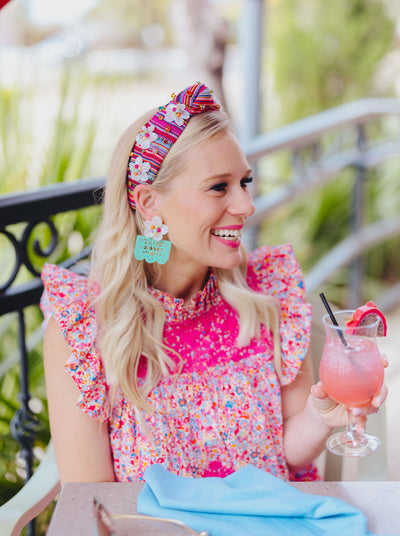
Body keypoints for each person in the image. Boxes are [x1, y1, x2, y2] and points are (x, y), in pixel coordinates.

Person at [42, 82, 387, 485]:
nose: (246, 205)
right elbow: (91, 501)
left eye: (244, 181)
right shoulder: (83, 329)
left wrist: (320, 415)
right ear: (150, 203)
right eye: (219, 186)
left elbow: (288, 457)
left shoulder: (269, 292)